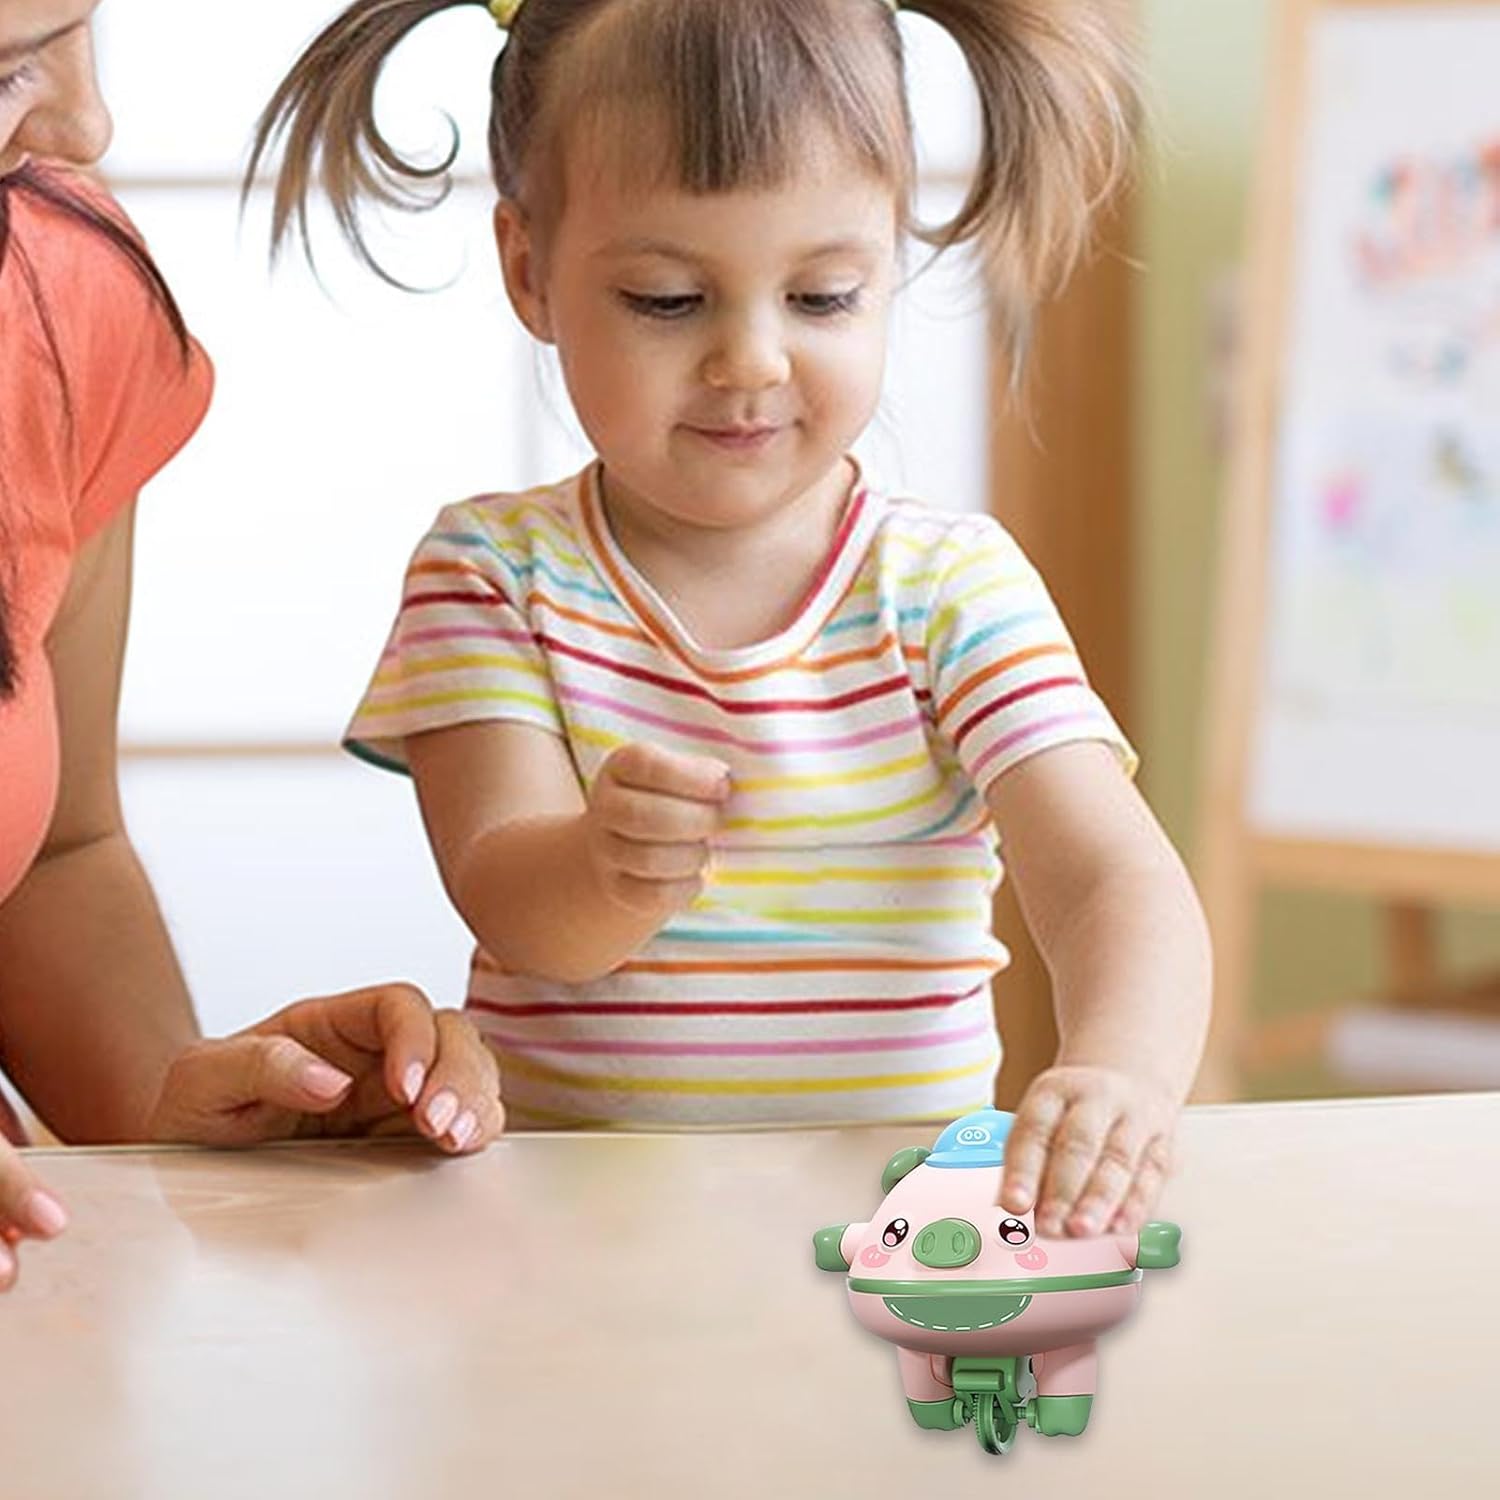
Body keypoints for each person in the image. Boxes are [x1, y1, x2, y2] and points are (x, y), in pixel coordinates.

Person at [252, 0, 1210, 1237]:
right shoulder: (493, 574)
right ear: (530, 270)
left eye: (822, 296)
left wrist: (1123, 1072)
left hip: (895, 1232)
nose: (751, 360)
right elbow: (512, 903)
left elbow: (1108, 877)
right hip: (573, 1239)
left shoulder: (947, 586)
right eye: (666, 299)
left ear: (889, 269)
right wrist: (601, 868)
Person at [0, 0, 505, 1294]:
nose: (83, 122)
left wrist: (186, 1114)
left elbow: (53, 856)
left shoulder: (55, 294)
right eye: (4, 70)